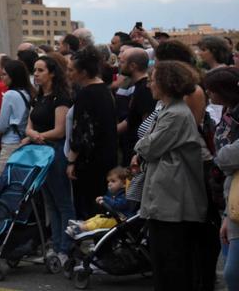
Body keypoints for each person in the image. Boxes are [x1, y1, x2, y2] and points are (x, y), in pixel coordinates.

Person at [136, 60, 208, 291]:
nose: (149, 84)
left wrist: (142, 146)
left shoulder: (175, 114)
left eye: (153, 79)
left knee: (172, 264)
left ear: (167, 83)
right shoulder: (168, 111)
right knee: (165, 263)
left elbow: (148, 147)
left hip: (172, 201)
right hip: (165, 196)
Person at [24, 54, 74, 265]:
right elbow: (28, 125)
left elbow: (60, 130)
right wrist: (32, 135)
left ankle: (66, 247)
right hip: (39, 151)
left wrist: (36, 136)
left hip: (54, 151)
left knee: (62, 201)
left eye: (40, 70)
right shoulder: (38, 97)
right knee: (49, 202)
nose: (35, 74)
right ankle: (55, 244)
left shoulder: (60, 98)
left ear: (52, 73)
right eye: (34, 70)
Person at [66, 46, 118, 219]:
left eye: (71, 70)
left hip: (90, 162)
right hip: (107, 156)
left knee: (91, 207)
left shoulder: (86, 94)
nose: (68, 73)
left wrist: (71, 161)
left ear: (83, 72)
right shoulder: (105, 90)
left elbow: (81, 133)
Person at [209, 67, 239, 290]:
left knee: (232, 273)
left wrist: (220, 157)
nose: (208, 93)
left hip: (234, 190)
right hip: (230, 197)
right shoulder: (228, 113)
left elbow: (227, 156)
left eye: (212, 89)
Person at [65, 166, 135, 237]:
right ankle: (83, 224)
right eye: (109, 181)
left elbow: (117, 205)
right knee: (98, 217)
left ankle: (79, 229)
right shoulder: (114, 193)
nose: (109, 183)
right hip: (114, 217)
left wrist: (104, 199)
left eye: (113, 181)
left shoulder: (125, 195)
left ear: (124, 184)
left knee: (101, 222)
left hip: (121, 220)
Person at [116, 48, 156, 166]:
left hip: (138, 152)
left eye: (122, 62)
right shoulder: (138, 86)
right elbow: (131, 118)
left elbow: (147, 123)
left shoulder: (144, 89)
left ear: (132, 66)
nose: (119, 65)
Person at [0, 59, 34, 176]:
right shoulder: (30, 93)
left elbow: (2, 124)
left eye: (5, 74)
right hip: (25, 140)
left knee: (2, 178)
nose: (2, 77)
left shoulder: (9, 95)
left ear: (13, 76)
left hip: (10, 142)